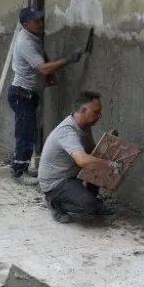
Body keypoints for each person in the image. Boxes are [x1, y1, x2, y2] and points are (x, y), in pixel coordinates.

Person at [8, 6, 85, 186]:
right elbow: (42, 68)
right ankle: (18, 173)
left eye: (42, 19)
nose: (41, 23)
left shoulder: (32, 38)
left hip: (27, 93)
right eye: (37, 21)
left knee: (28, 132)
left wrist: (48, 79)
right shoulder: (25, 42)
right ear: (26, 24)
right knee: (25, 134)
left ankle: (23, 167)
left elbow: (42, 64)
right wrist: (68, 60)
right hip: (22, 94)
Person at [38, 91, 123, 223]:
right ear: (83, 110)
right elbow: (83, 160)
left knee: (96, 163)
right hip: (56, 183)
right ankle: (55, 203)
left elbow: (91, 152)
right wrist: (110, 165)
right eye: (96, 112)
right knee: (90, 206)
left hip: (71, 176)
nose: (99, 115)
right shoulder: (67, 132)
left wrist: (108, 147)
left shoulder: (84, 126)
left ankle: (91, 199)